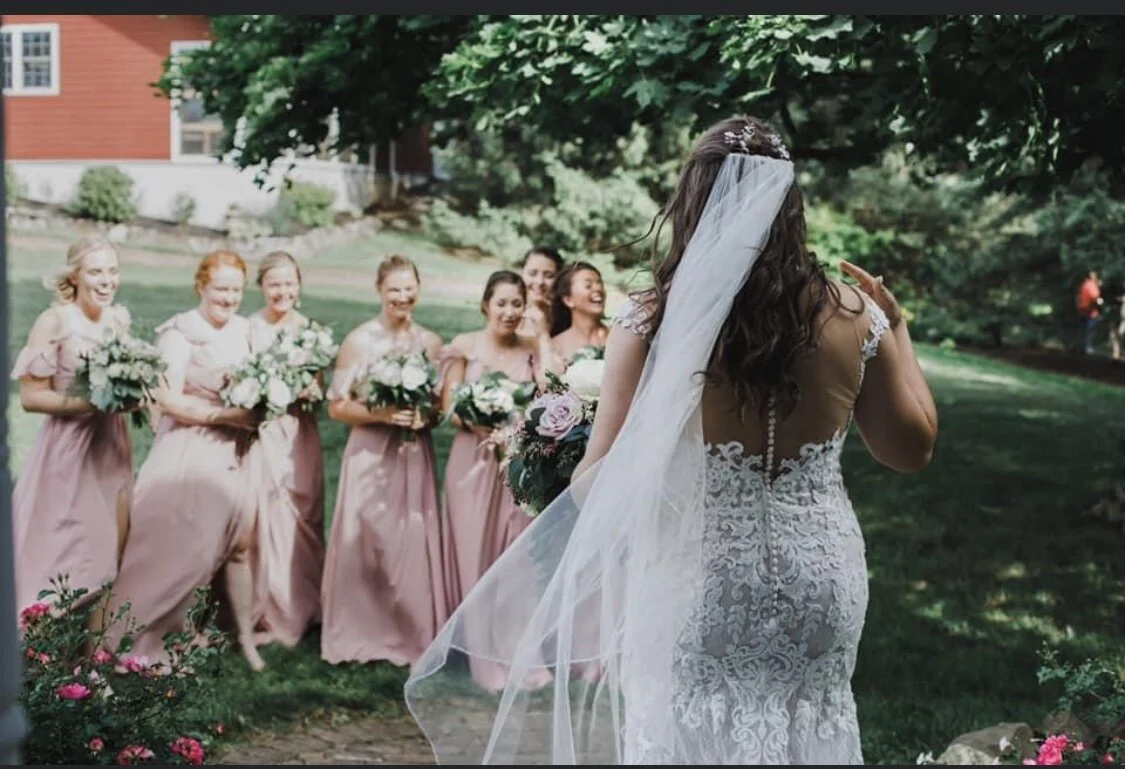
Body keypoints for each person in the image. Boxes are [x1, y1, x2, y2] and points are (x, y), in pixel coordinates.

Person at [404, 115, 938, 765]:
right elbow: (911, 449)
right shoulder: (855, 314)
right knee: (809, 728)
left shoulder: (653, 318)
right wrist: (899, 327)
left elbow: (594, 481)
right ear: (789, 204)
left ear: (694, 201)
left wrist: (582, 447)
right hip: (819, 580)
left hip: (699, 578)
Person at [105, 250, 265, 672]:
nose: (229, 298)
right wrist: (226, 415)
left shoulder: (247, 330)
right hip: (190, 449)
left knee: (228, 546)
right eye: (221, 289)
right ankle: (136, 640)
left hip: (237, 451)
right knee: (180, 550)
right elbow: (167, 399)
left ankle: (202, 633)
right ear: (201, 286)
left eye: (236, 290)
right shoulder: (181, 331)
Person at [320, 254, 446, 666]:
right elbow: (337, 407)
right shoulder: (360, 340)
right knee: (366, 541)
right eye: (394, 289)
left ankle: (413, 630)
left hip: (412, 453)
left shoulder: (430, 344)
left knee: (410, 540)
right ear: (379, 290)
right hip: (370, 453)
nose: (403, 296)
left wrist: (421, 417)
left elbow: (438, 408)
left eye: (409, 289)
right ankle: (360, 629)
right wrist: (383, 414)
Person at [10, 235, 134, 623]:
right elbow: (31, 397)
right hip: (69, 450)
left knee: (111, 552)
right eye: (96, 271)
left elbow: (125, 379)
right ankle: (37, 643)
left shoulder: (119, 319)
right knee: (65, 549)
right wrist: (90, 404)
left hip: (111, 446)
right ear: (75, 276)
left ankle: (93, 662)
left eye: (112, 271)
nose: (106, 281)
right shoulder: (55, 321)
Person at [247, 251, 327, 648]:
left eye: (288, 283)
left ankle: (308, 605)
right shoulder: (248, 329)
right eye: (274, 284)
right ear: (261, 287)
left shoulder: (311, 330)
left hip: (300, 432)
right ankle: (271, 611)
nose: (282, 291)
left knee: (303, 514)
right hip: (261, 431)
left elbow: (320, 388)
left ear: (299, 286)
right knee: (266, 516)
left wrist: (312, 390)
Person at [548, 261, 609, 369]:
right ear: (568, 300)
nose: (598, 289)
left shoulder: (617, 337)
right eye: (588, 285)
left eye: (600, 284)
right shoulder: (555, 347)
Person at [1077, 270, 1103, 355]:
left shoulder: (1084, 284)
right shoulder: (1091, 285)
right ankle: (1090, 347)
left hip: (1083, 309)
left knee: (1085, 328)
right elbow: (1094, 296)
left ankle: (1084, 346)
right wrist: (1100, 301)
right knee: (1091, 329)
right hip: (1091, 311)